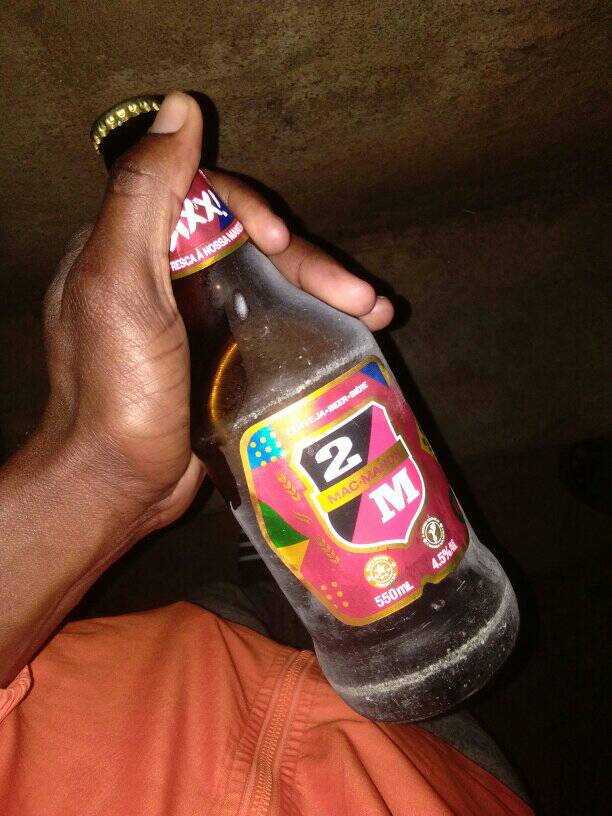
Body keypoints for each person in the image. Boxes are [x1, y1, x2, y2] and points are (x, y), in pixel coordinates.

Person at [0, 92, 532, 815]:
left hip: (196, 664)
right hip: (415, 783)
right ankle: (274, 559)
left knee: (248, 604)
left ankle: (269, 562)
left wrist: (100, 471)